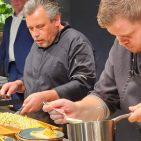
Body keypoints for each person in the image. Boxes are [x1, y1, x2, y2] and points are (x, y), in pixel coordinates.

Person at [42, 0, 141, 125]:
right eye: (116, 36)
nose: (121, 43)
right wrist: (78, 109)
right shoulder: (120, 48)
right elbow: (104, 97)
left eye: (127, 36)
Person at [0, 0, 96, 124]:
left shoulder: (77, 42)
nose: (35, 34)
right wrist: (20, 84)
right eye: (30, 28)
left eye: (40, 27)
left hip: (63, 125)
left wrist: (46, 96)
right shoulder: (39, 41)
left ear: (56, 20)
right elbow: (40, 77)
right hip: (36, 123)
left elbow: (84, 83)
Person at [0, 0, 33, 110]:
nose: (16, 1)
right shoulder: (8, 21)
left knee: (29, 99)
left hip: (28, 65)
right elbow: (4, 45)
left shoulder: (31, 18)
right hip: (11, 67)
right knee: (14, 99)